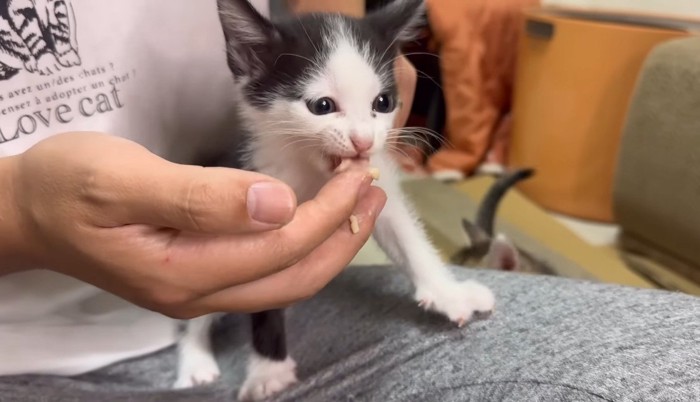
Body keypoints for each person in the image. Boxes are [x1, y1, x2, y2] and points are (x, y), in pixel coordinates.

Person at [1, 1, 698, 401]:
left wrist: (435, 283)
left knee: (669, 356)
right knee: (245, 246)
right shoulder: (262, 146)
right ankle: (219, 343)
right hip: (33, 356)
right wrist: (25, 217)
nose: (364, 135)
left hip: (291, 305)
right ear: (248, 67)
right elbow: (245, 261)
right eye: (326, 107)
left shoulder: (354, 130)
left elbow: (387, 204)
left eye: (383, 106)